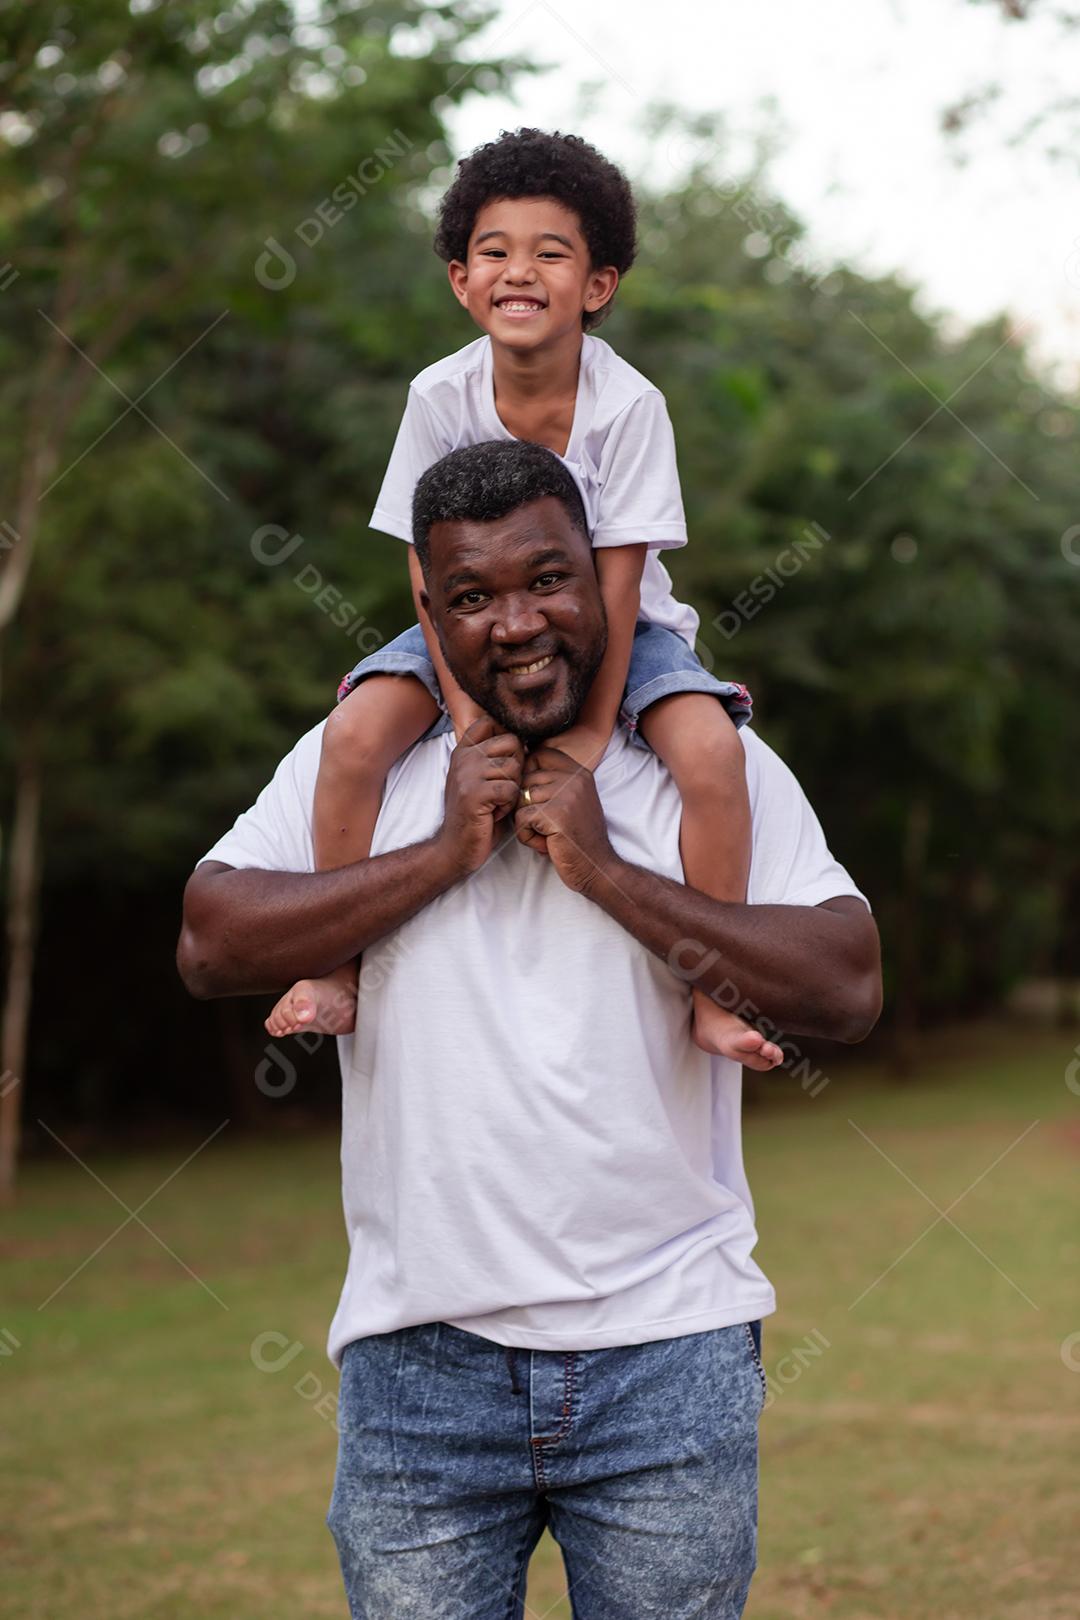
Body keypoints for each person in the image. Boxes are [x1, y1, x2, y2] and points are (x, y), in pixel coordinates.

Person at [178, 440, 882, 1620]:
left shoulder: (693, 760)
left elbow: (848, 982)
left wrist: (607, 871)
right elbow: (211, 941)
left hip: (670, 1354)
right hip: (418, 1367)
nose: (516, 624)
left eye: (549, 579)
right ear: (427, 611)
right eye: (471, 597)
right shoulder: (371, 765)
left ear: (603, 579)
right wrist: (443, 852)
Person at [264, 127, 771, 1065]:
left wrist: (584, 741)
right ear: (462, 280)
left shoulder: (630, 407)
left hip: (621, 626)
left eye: (551, 253)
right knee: (354, 738)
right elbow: (423, 571)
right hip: (467, 628)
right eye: (494, 252)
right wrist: (468, 724)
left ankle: (713, 994)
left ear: (599, 284)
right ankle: (335, 969)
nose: (520, 272)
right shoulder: (438, 396)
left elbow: (617, 581)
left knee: (710, 754)